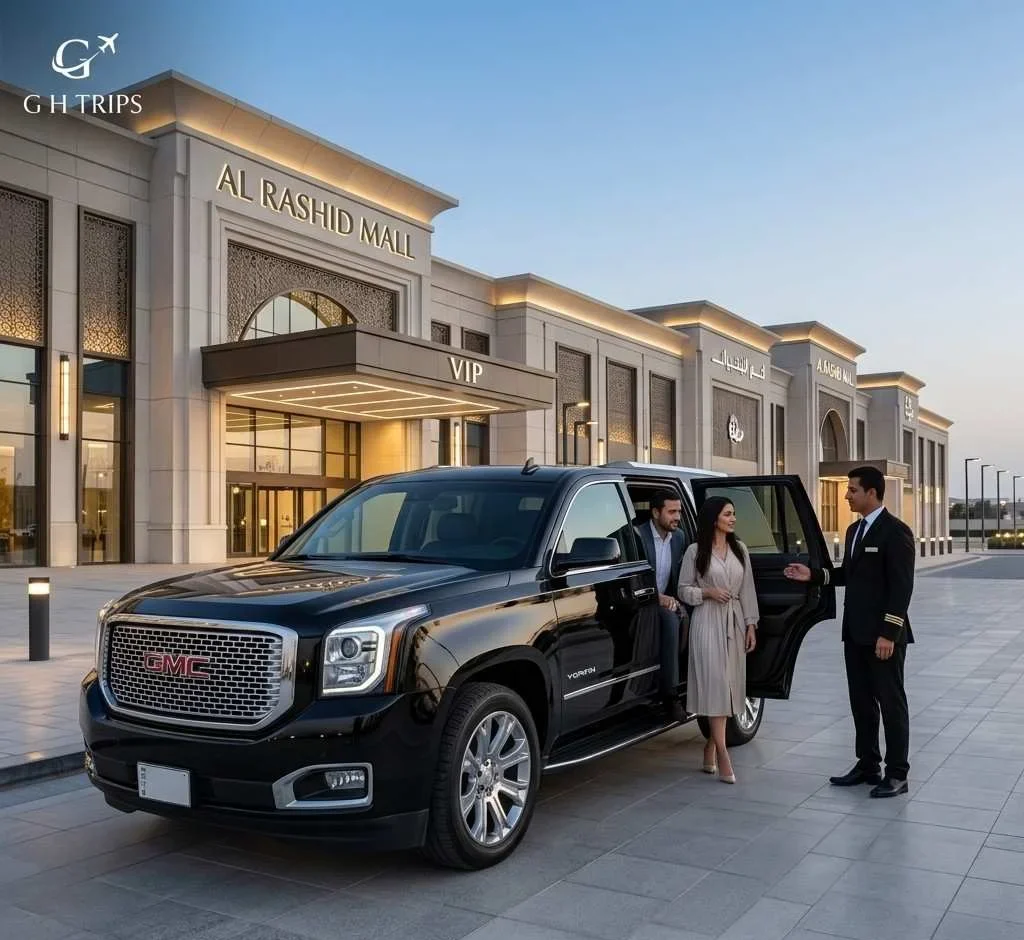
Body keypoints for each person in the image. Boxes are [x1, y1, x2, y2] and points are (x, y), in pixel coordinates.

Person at [784, 466, 916, 798]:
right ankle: (868, 764)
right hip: (855, 634)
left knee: (891, 703)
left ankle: (897, 773)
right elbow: (849, 574)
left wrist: (889, 633)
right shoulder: (855, 530)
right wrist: (813, 576)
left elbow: (901, 589)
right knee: (861, 702)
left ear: (872, 492)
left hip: (883, 637)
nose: (847, 495)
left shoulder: (895, 532)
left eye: (852, 490)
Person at [677, 496, 758, 783]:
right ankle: (724, 755)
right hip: (707, 622)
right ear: (714, 519)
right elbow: (683, 590)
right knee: (715, 687)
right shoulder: (695, 551)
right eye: (728, 514)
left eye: (734, 513)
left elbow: (747, 590)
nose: (733, 519)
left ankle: (710, 745)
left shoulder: (741, 549)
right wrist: (707, 593)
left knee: (729, 686)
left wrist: (750, 625)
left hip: (734, 622)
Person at [634, 490, 689, 718]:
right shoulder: (637, 536)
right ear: (656, 513)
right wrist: (658, 598)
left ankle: (694, 684)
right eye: (672, 511)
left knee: (691, 613)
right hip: (638, 601)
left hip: (667, 599)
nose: (677, 516)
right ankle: (671, 694)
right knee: (669, 616)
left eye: (679, 511)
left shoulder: (679, 537)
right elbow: (632, 581)